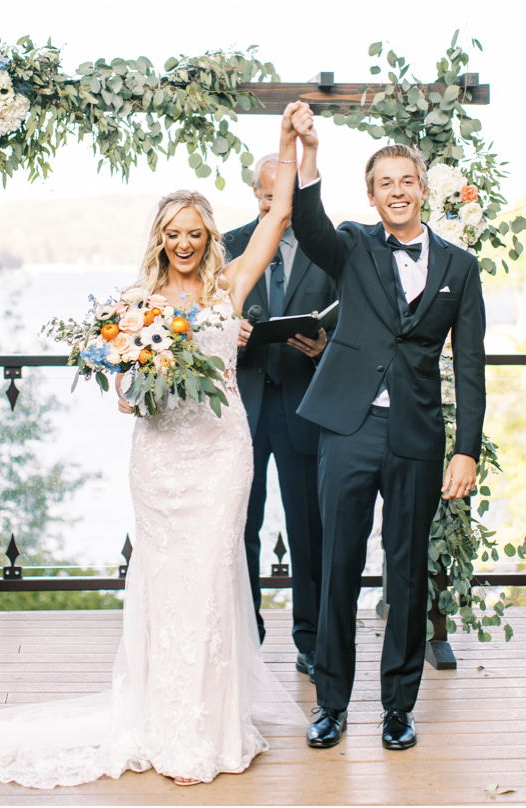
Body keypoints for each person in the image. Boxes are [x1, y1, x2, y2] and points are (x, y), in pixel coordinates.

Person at [0, 107, 306, 788]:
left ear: (209, 236)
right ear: (159, 239)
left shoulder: (228, 286)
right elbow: (123, 389)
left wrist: (284, 145)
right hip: (159, 458)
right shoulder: (135, 301)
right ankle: (164, 723)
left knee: (213, 579)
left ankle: (207, 728)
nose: (184, 244)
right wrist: (133, 382)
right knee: (164, 586)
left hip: (220, 453)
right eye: (173, 234)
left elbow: (275, 220)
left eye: (194, 233)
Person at [286, 102, 486, 751]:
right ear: (371, 195)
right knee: (338, 567)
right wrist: (309, 154)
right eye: (384, 183)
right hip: (346, 430)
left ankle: (398, 708)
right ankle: (332, 706)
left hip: (417, 439)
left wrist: (466, 451)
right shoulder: (352, 244)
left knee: (406, 575)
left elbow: (473, 366)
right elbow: (306, 221)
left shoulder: (459, 266)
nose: (397, 191)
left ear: (422, 188)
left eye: (407, 180)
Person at [223, 153, 337, 682]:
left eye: (286, 197)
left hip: (302, 406)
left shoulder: (326, 243)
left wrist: (322, 347)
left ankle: (311, 642)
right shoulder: (225, 245)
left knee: (308, 529)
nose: (277, 206)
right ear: (256, 194)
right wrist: (230, 335)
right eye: (269, 197)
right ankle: (247, 638)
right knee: (238, 527)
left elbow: (348, 322)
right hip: (238, 411)